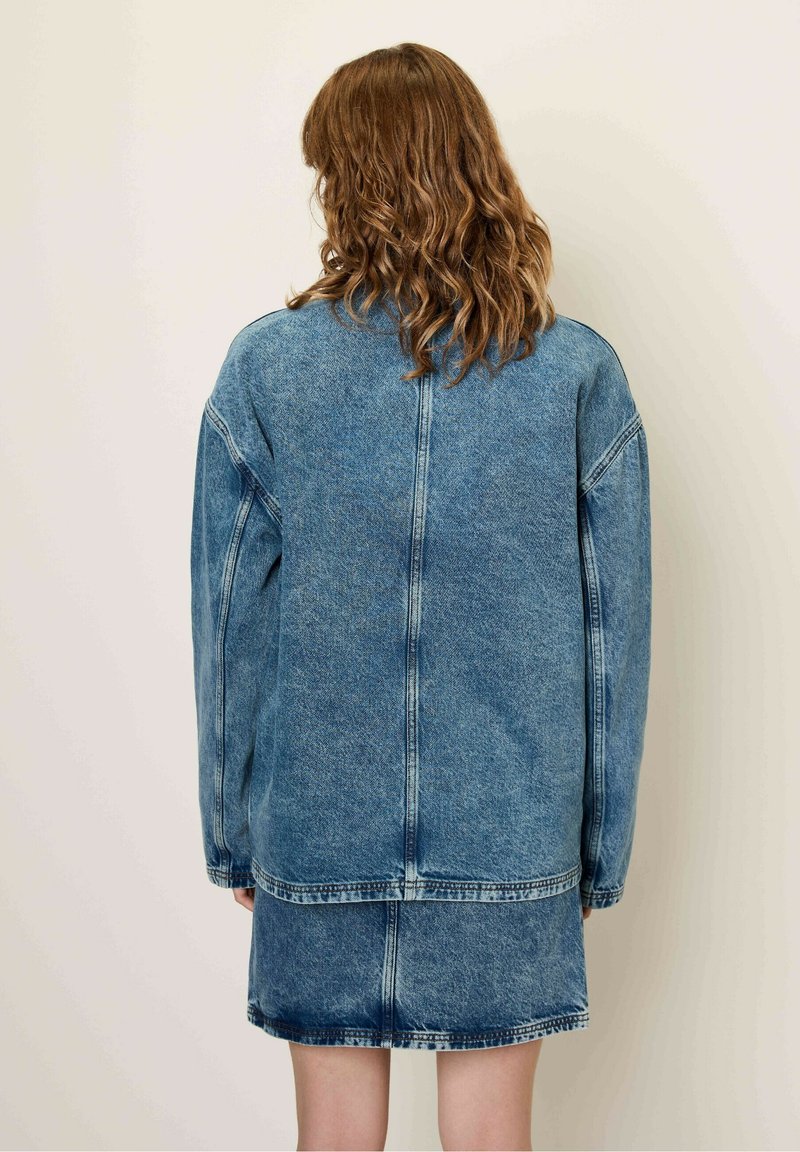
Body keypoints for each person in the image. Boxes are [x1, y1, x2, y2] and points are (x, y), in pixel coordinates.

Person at [190, 41, 652, 1152]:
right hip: (511, 841)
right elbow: (613, 641)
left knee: (331, 1143)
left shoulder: (266, 370)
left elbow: (228, 624)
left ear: (346, 181)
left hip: (317, 830)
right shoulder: (575, 376)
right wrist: (597, 847)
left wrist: (233, 830)